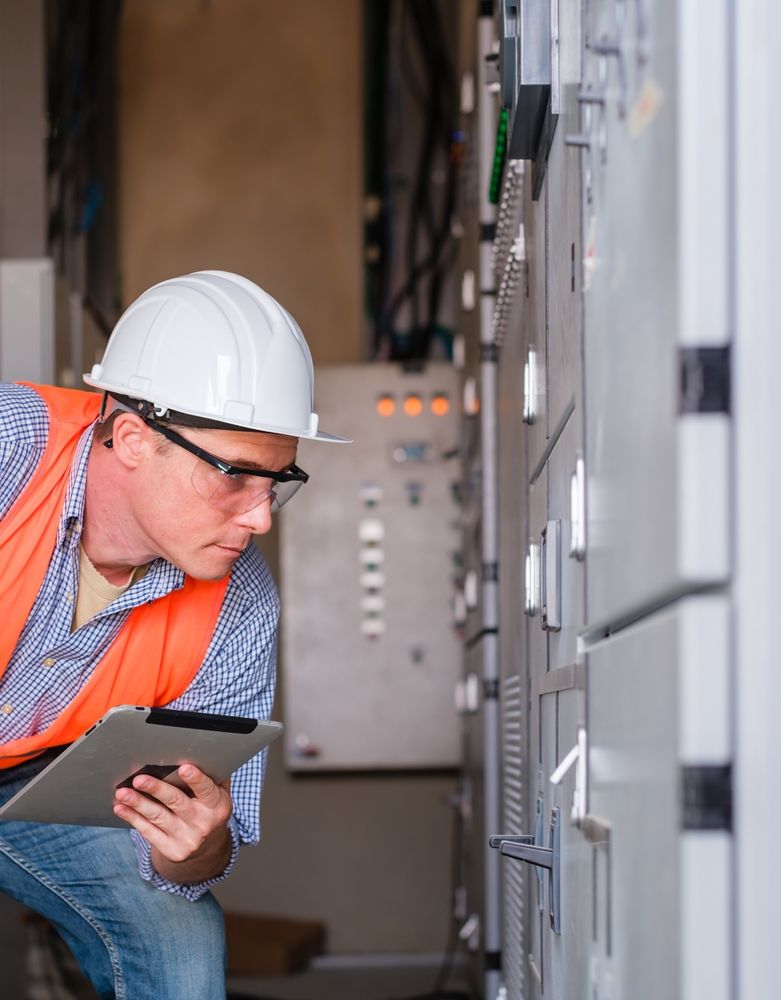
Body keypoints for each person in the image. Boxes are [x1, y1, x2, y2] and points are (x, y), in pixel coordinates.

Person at [0, 270, 346, 998]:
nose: (260, 520)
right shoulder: (11, 448)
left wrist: (194, 846)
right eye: (233, 476)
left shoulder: (240, 604)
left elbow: (196, 861)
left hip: (34, 780)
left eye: (277, 482)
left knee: (179, 932)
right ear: (131, 437)